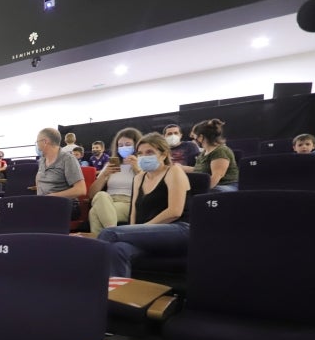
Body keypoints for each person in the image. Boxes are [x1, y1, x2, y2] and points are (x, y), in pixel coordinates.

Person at [97, 133, 191, 277]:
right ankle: (119, 295)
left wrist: (140, 230)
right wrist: (135, 231)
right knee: (117, 249)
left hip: (178, 230)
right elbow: (134, 211)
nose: (143, 156)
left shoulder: (173, 171)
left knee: (109, 233)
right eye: (140, 153)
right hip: (147, 234)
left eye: (150, 152)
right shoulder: (139, 178)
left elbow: (175, 212)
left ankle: (90, 283)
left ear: (164, 154)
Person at [87, 127, 143, 234]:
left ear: (136, 146)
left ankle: (104, 240)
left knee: (94, 212)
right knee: (101, 196)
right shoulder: (110, 165)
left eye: (128, 144)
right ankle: (111, 234)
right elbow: (91, 194)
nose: (123, 148)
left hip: (129, 203)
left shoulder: (142, 163)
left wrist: (137, 169)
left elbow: (149, 188)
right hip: (107, 200)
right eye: (120, 145)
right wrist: (104, 175)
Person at [35, 128, 87, 201]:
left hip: (61, 205)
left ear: (45, 142)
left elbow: (81, 190)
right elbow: (39, 179)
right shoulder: (42, 160)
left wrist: (52, 197)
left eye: (37, 141)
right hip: (43, 204)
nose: (37, 145)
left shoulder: (68, 159)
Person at [192, 118, 239, 192]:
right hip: (215, 186)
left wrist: (199, 190)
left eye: (194, 137)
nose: (193, 140)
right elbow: (197, 170)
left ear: (201, 137)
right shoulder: (203, 153)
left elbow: (216, 177)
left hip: (226, 186)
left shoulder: (220, 151)